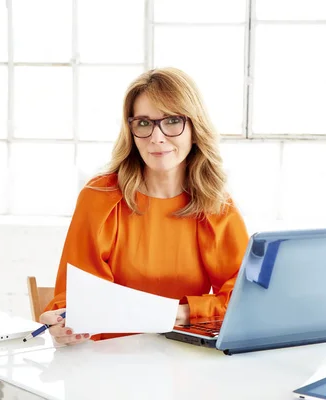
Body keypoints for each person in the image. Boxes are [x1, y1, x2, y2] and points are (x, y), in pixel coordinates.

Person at [40, 67, 249, 346]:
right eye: (143, 123)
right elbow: (73, 296)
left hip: (183, 359)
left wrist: (182, 313)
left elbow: (244, 300)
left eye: (172, 121)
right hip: (108, 359)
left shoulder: (216, 205)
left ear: (195, 129)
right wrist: (66, 325)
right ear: (131, 130)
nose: (157, 137)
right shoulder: (99, 197)